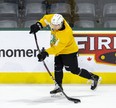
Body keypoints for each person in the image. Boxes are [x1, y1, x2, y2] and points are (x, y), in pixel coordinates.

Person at [30, 14, 101, 95]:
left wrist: (45, 53)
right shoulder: (56, 19)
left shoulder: (66, 33)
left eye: (56, 26)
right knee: (57, 68)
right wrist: (38, 25)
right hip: (58, 51)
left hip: (69, 52)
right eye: (52, 25)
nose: (54, 27)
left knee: (74, 70)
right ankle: (58, 86)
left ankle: (94, 77)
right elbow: (46, 18)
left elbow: (57, 48)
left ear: (61, 24)